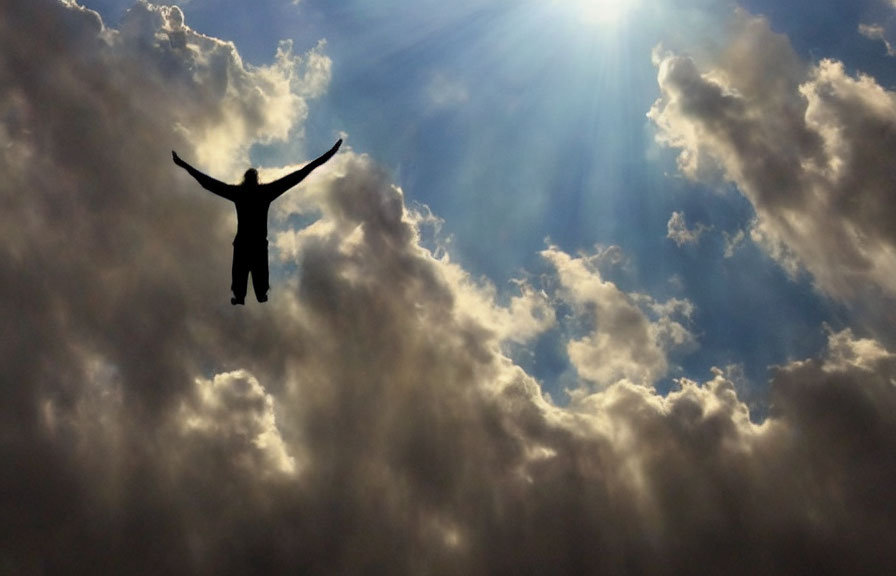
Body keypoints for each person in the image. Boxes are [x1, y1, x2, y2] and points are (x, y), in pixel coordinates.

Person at [173, 139, 342, 305]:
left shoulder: (241, 193)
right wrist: (184, 165)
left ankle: (247, 295)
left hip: (247, 242)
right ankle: (255, 294)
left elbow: (209, 183)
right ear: (256, 180)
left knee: (244, 269)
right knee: (251, 269)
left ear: (245, 180)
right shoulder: (263, 192)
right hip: (255, 243)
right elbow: (300, 174)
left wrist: (185, 165)